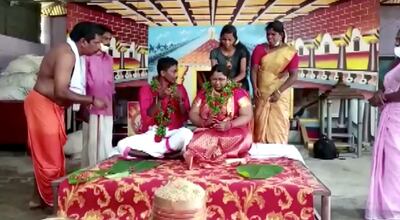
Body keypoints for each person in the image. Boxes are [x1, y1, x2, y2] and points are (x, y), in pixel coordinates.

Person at [24, 22, 107, 208]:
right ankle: (55, 203)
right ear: (84, 42)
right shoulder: (67, 55)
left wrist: (81, 109)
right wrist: (92, 100)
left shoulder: (73, 54)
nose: (100, 47)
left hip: (51, 107)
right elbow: (61, 91)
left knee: (49, 155)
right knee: (50, 158)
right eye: (97, 42)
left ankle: (37, 199)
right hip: (42, 105)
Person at [113, 57, 193, 159]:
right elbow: (148, 115)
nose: (176, 75)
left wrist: (180, 100)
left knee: (187, 134)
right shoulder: (146, 89)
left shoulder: (180, 88)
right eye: (174, 72)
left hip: (174, 133)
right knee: (121, 144)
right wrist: (159, 99)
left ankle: (152, 154)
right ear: (163, 73)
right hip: (153, 134)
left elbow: (185, 116)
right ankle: (166, 153)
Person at [184, 64, 253, 169]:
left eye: (221, 79)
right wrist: (204, 122)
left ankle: (225, 156)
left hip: (233, 131)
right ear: (210, 79)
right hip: (209, 130)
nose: (217, 83)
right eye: (214, 79)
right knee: (193, 144)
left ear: (228, 79)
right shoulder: (203, 93)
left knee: (243, 136)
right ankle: (223, 156)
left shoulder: (238, 93)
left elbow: (247, 115)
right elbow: (193, 113)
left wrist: (229, 124)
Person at [365, 29, 400, 220]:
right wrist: (379, 92)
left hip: (398, 117)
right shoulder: (396, 62)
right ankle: (383, 209)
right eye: (396, 38)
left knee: (396, 165)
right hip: (389, 115)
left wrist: (382, 97)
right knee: (386, 163)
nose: (396, 42)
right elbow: (388, 85)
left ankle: (395, 212)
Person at [251, 20, 299, 144]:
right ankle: (259, 150)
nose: (270, 37)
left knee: (279, 122)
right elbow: (254, 70)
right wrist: (255, 87)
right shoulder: (259, 49)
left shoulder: (290, 52)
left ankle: (278, 151)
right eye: (268, 34)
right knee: (260, 122)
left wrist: (278, 91)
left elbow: (294, 76)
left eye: (273, 34)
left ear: (281, 35)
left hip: (280, 93)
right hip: (262, 93)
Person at [80, 25, 115, 167]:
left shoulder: (109, 59)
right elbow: (82, 82)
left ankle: (104, 168)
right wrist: (84, 105)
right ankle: (90, 171)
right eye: (104, 38)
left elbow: (111, 84)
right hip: (92, 104)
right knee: (92, 141)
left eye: (109, 39)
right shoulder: (87, 58)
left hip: (107, 105)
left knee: (105, 139)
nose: (106, 42)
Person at [210, 24, 250, 91]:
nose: (227, 42)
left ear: (235, 39)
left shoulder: (241, 51)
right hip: (221, 86)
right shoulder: (214, 52)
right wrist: (223, 83)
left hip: (240, 85)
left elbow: (243, 73)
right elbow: (215, 72)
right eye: (224, 39)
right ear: (220, 38)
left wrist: (230, 83)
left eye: (230, 40)